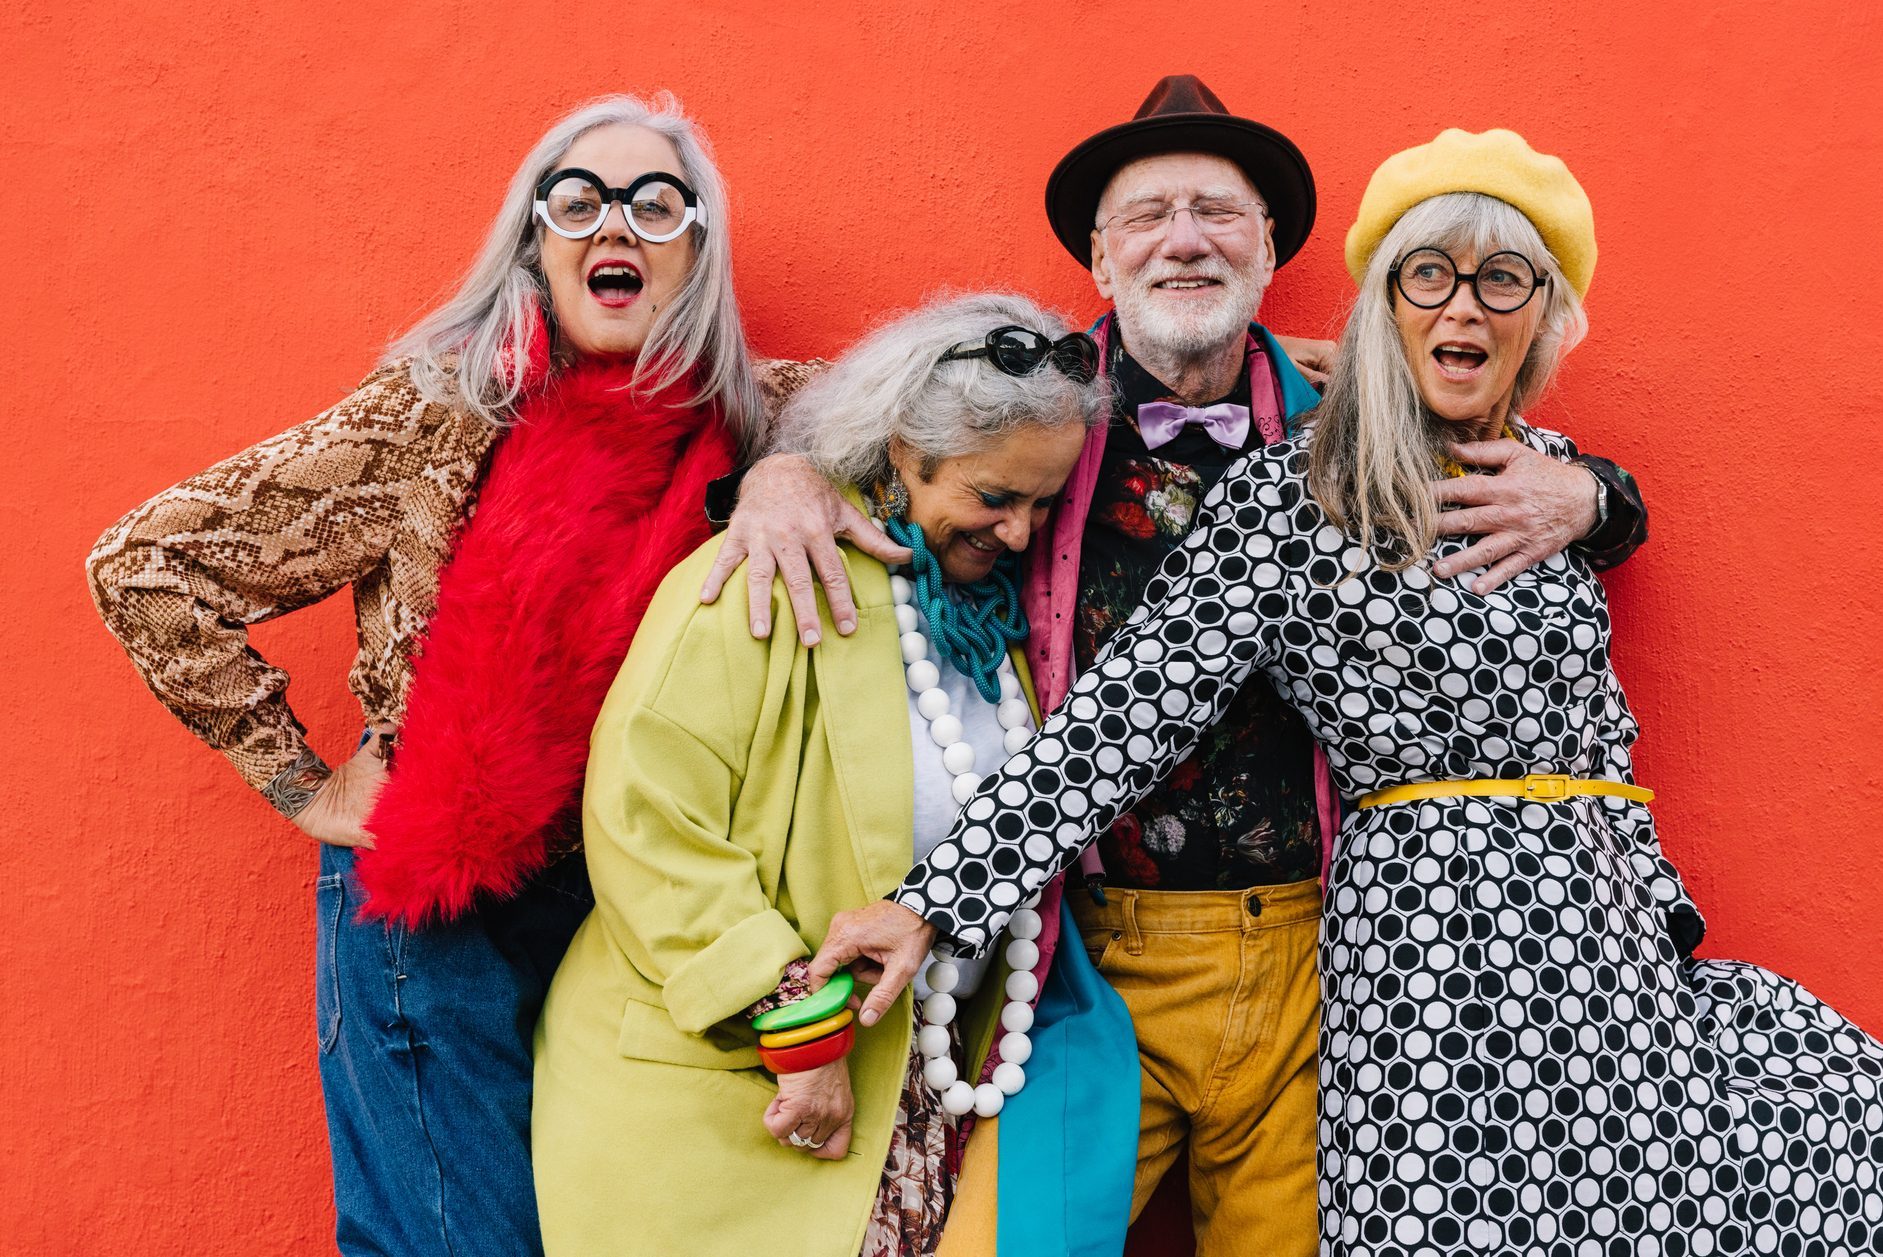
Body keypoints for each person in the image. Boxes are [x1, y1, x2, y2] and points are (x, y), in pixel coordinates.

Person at [818, 129, 1883, 1255]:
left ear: (1541, 315)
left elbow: (1596, 722)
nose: (1460, 311)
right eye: (1428, 276)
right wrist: (935, 903)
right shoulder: (1293, 495)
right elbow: (1115, 725)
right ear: (1385, 302)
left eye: (1498, 280)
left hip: (1600, 937)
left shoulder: (1551, 472)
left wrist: (1655, 909)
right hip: (1427, 937)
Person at [735, 77, 1649, 1256]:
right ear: (1100, 260)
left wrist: (1600, 498)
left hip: (1357, 954)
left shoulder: (1408, 423)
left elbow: (1584, 678)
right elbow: (1111, 710)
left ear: (1270, 251)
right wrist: (781, 473)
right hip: (1100, 952)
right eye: (1147, 214)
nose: (1184, 238)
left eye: (1216, 211)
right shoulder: (1047, 408)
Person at [83, 93, 832, 1257]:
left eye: (655, 202)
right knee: (453, 1239)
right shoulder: (439, 414)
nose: (613, 226)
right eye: (575, 201)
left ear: (699, 244)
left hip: (648, 909)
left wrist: (793, 477)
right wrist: (301, 784)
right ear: (534, 242)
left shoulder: (770, 418)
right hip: (436, 914)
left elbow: (950, 440)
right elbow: (146, 564)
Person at [531, 292, 1132, 1257]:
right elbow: (650, 824)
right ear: (902, 450)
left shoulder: (995, 632)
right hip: (730, 1108)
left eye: (1042, 505)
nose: (1019, 534)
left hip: (911, 1117)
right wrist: (802, 1034)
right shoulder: (766, 575)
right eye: (992, 497)